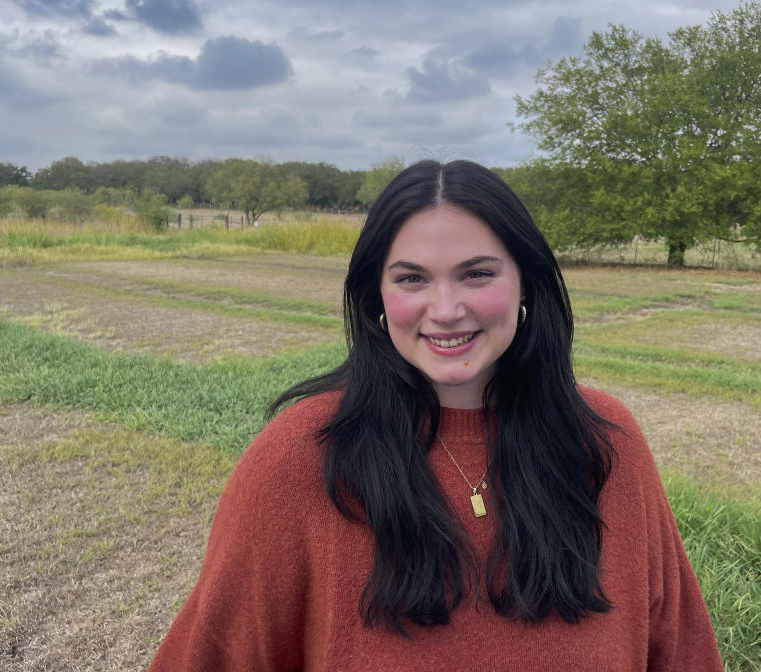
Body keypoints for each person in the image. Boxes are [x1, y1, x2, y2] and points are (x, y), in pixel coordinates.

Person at [149, 160, 724, 671]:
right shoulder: (297, 458)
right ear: (376, 296)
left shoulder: (605, 443)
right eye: (412, 278)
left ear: (525, 283)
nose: (446, 311)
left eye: (477, 273)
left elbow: (682, 652)